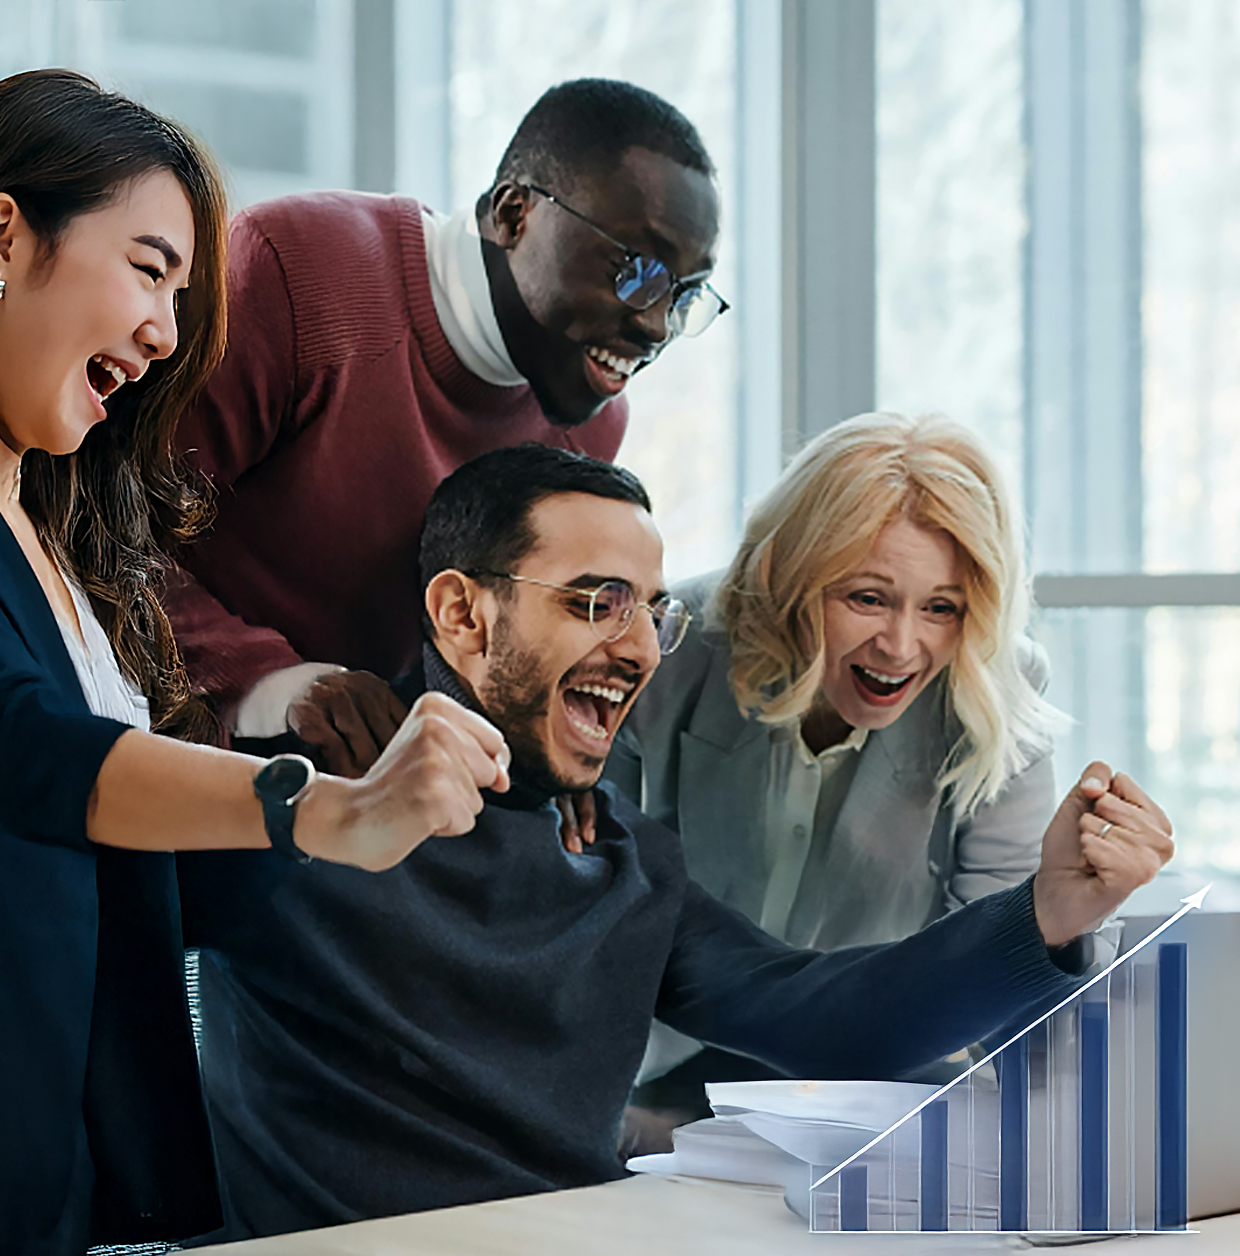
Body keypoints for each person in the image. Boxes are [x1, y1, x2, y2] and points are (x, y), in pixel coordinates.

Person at [0, 70, 508, 1256]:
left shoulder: (65, 539)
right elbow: (9, 743)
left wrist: (393, 754)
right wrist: (320, 810)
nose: (167, 333)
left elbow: (161, 874)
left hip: (57, 1173)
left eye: (183, 294)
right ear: (0, 234)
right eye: (149, 269)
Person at [178, 444, 1174, 1241]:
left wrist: (1049, 911)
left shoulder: (624, 858)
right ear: (460, 615)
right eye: (593, 601)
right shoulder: (292, 806)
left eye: (648, 611)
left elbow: (827, 1015)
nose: (643, 645)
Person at [159, 77, 725, 769]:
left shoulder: (594, 425)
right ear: (516, 214)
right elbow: (97, 532)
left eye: (687, 294)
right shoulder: (299, 270)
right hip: (165, 751)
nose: (656, 325)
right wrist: (273, 685)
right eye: (636, 270)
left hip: (370, 800)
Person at [607, 412, 1061, 1124]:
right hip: (650, 1068)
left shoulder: (998, 687)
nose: (901, 646)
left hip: (878, 1077)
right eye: (867, 598)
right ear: (791, 576)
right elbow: (589, 889)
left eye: (942, 607)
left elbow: (996, 944)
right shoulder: (672, 647)